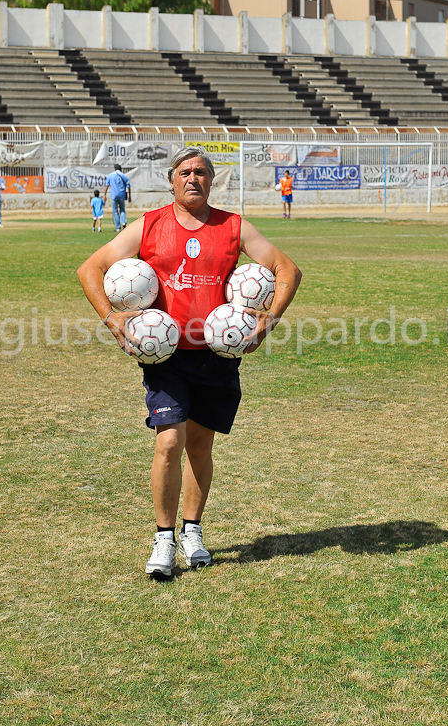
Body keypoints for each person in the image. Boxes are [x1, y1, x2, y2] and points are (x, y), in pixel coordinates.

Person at [77, 146, 302, 580]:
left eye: (201, 172)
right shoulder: (149, 225)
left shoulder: (233, 227)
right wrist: (110, 317)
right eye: (185, 172)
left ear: (211, 180)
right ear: (172, 180)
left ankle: (192, 531)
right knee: (168, 442)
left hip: (218, 354)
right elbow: (91, 268)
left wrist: (270, 319)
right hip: (165, 354)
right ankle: (163, 539)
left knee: (200, 445)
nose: (193, 178)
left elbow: (286, 268)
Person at [104, 164, 131, 232]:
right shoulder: (123, 175)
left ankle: (117, 227)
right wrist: (129, 196)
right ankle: (124, 222)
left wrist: (104, 195)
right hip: (122, 194)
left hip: (114, 195)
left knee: (115, 210)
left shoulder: (110, 175)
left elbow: (107, 185)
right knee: (122, 209)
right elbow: (128, 185)